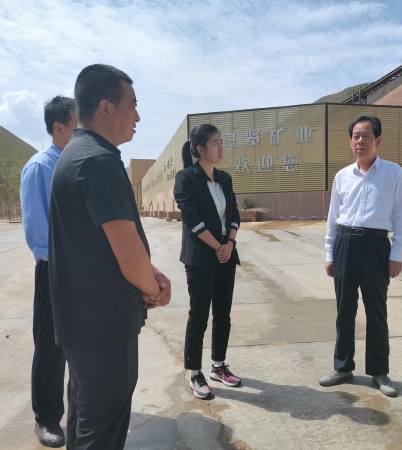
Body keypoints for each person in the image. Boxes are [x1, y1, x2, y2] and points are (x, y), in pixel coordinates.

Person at [48, 64, 171, 450]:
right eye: (132, 105)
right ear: (106, 108)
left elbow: (101, 240)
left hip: (82, 325)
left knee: (85, 423)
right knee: (100, 434)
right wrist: (153, 287)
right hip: (104, 329)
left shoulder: (76, 155)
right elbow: (128, 257)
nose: (138, 116)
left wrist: (151, 271)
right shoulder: (99, 162)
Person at [320, 115, 402, 397]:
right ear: (350, 142)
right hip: (345, 244)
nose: (360, 141)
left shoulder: (393, 173)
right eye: (356, 136)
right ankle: (343, 367)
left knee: (376, 312)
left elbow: (401, 217)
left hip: (376, 246)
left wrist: (397, 254)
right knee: (344, 311)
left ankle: (379, 371)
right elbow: (333, 218)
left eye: (366, 136)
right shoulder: (342, 176)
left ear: (378, 140)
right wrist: (330, 252)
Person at [20, 95, 77, 447]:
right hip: (54, 268)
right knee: (50, 348)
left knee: (80, 344)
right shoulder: (40, 167)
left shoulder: (75, 163)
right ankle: (46, 418)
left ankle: (79, 411)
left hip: (82, 268)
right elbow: (38, 231)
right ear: (59, 127)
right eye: (77, 124)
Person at [174, 124, 242, 400]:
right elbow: (192, 219)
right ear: (201, 149)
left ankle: (218, 366)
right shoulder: (186, 178)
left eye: (222, 142)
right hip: (201, 259)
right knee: (199, 315)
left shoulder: (224, 178)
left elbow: (234, 214)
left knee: (223, 314)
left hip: (226, 255)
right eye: (216, 143)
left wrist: (230, 244)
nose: (221, 147)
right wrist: (218, 247)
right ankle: (195, 373)